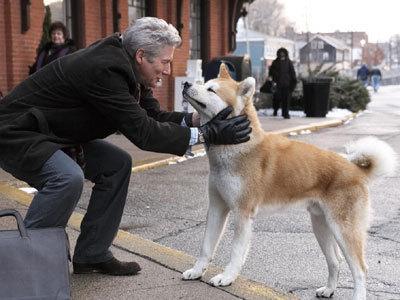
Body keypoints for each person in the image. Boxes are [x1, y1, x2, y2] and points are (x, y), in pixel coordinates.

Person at [0, 17, 251, 276]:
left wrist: (199, 121)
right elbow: (144, 133)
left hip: (54, 132)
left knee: (117, 164)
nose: (167, 70)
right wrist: (208, 135)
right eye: (165, 62)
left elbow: (153, 117)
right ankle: (23, 263)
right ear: (142, 55)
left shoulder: (129, 66)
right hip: (17, 132)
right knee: (66, 178)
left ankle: (92, 254)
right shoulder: (106, 70)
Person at [268, 47, 297, 119]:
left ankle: (285, 113)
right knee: (276, 98)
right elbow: (271, 72)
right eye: (280, 53)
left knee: (286, 100)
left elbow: (292, 72)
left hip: (287, 84)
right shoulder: (275, 62)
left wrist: (293, 81)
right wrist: (273, 78)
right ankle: (275, 110)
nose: (282, 54)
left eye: (283, 53)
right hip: (277, 84)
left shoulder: (289, 62)